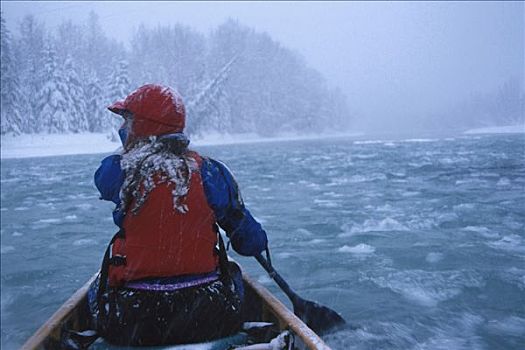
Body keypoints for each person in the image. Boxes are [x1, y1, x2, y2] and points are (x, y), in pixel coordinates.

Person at [87, 84, 268, 346]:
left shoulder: (117, 171)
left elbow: (106, 179)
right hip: (207, 314)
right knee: (234, 274)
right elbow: (250, 242)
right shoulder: (211, 173)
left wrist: (134, 151)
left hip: (134, 319)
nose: (123, 127)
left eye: (128, 120)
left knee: (97, 288)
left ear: (142, 128)